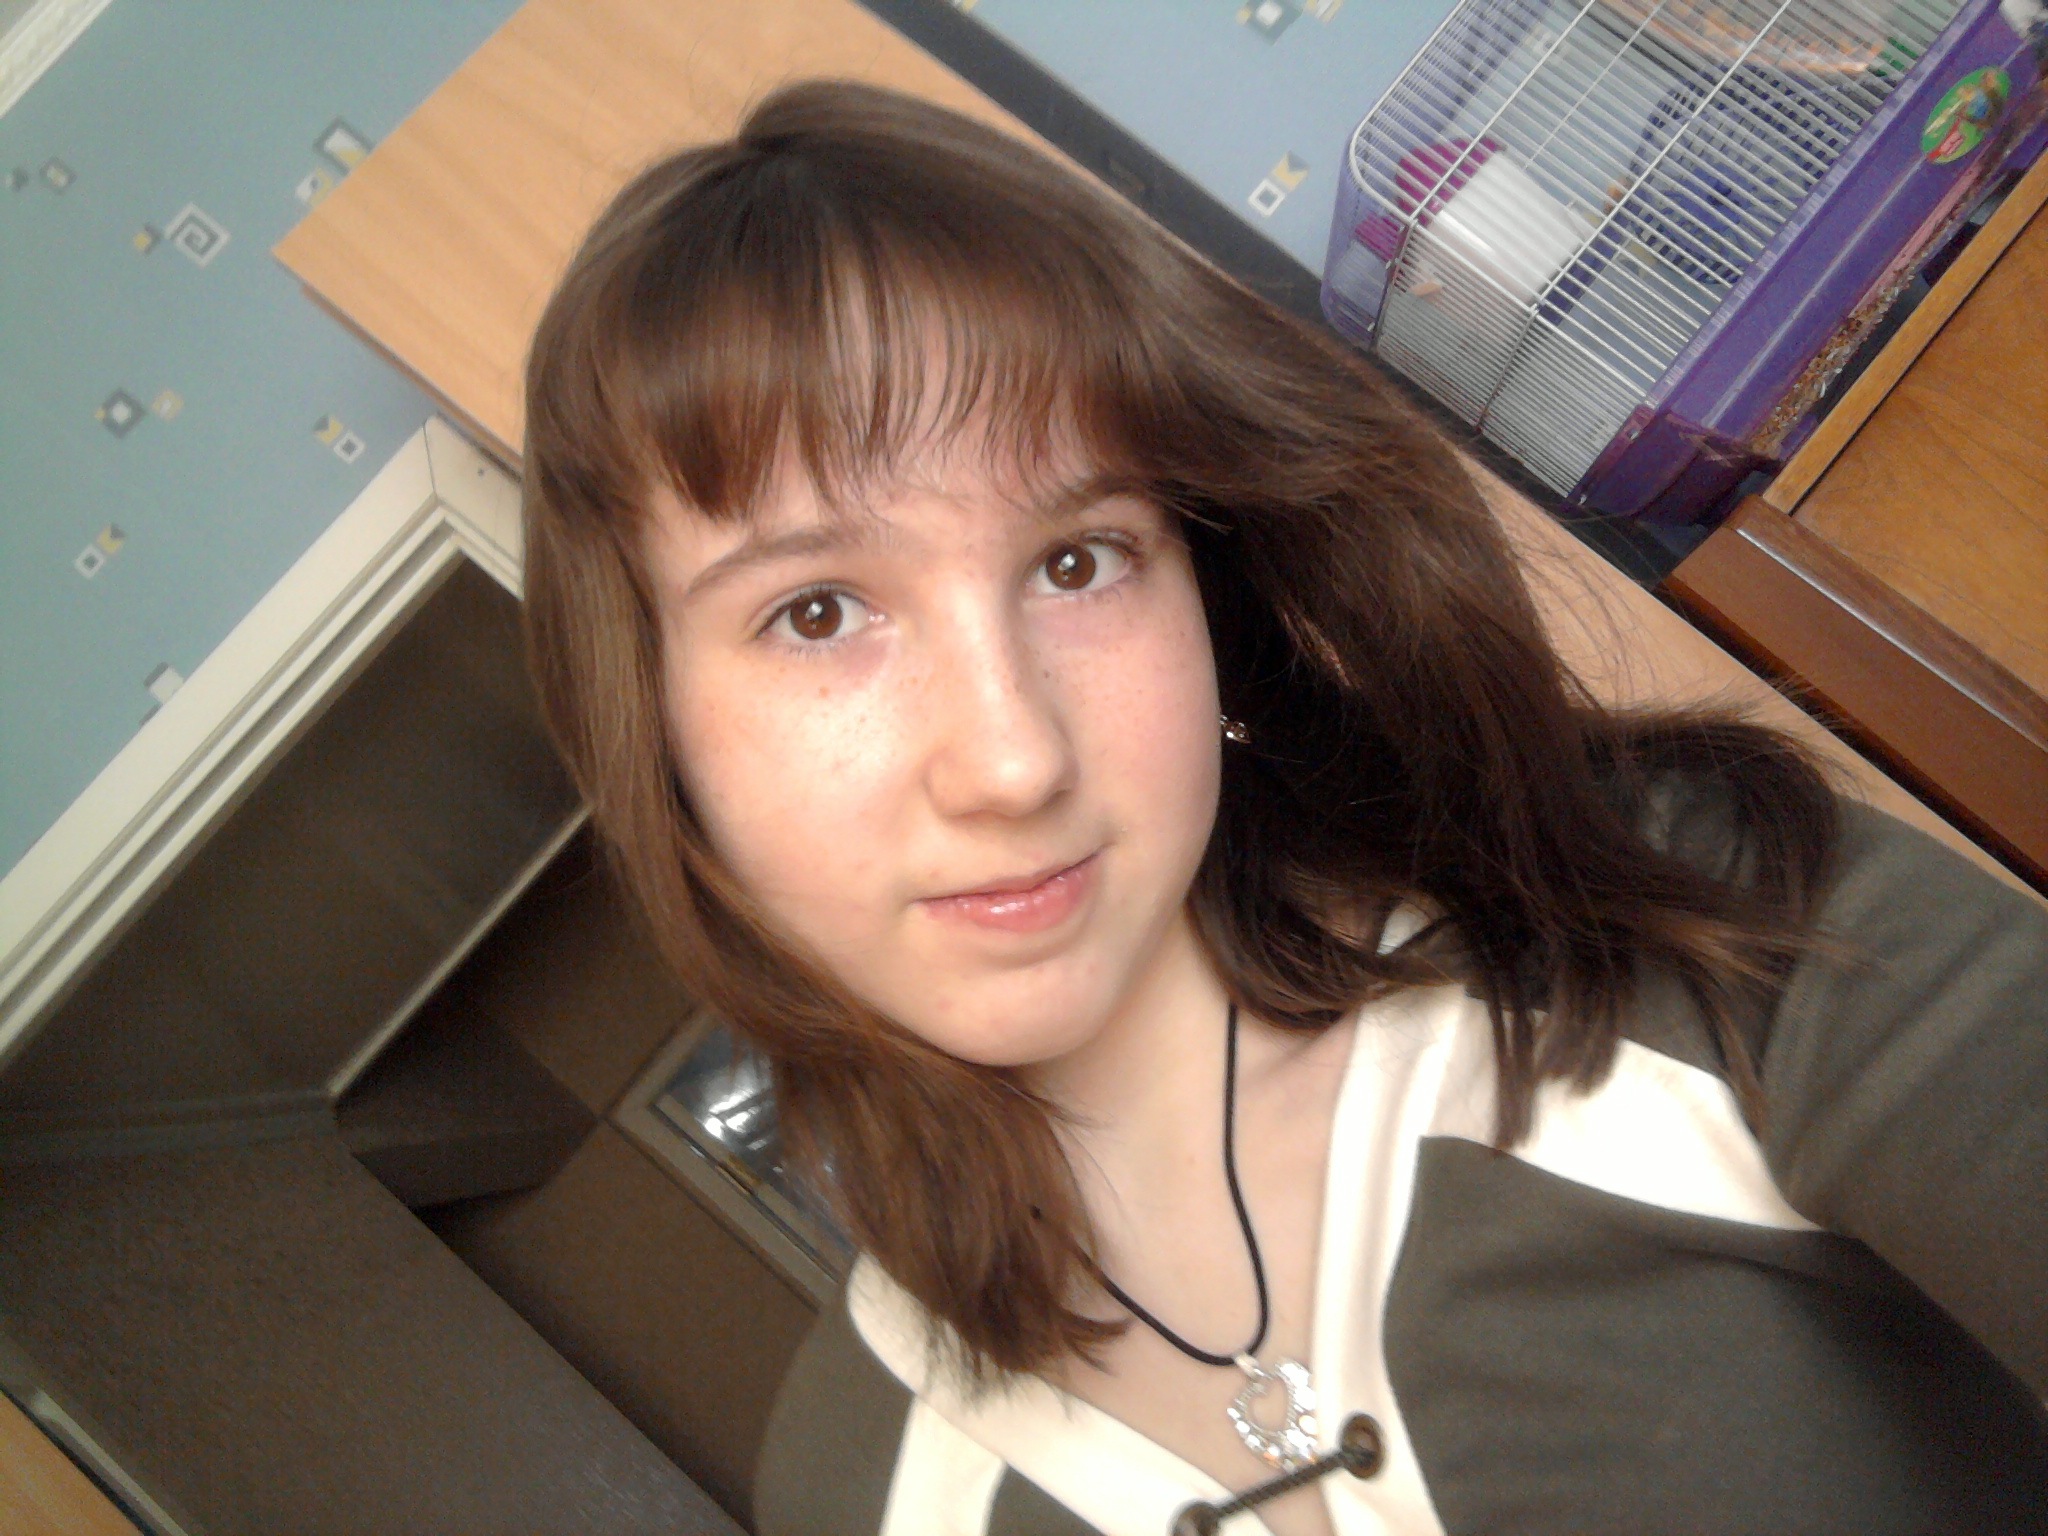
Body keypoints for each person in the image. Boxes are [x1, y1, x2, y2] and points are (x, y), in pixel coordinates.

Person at [518, 80, 2048, 1536]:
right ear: (655, 729)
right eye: (817, 613)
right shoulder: (859, 1480)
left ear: (1206, 587)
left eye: (1076, 563)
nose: (1013, 759)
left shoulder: (1716, 930)